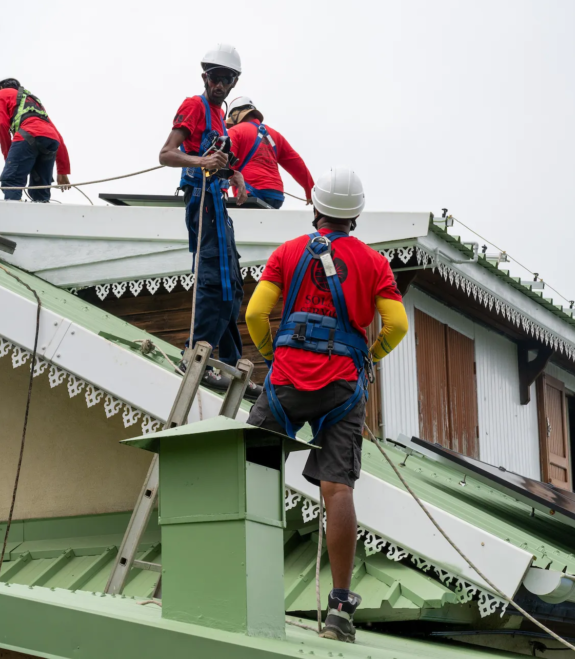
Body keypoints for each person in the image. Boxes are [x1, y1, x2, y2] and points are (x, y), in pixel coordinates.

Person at [243, 167, 409, 643]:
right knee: (337, 491)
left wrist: (271, 354)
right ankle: (338, 611)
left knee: (253, 471)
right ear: (356, 215)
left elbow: (256, 313)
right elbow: (396, 325)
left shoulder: (288, 252)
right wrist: (371, 355)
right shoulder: (374, 263)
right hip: (342, 385)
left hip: (286, 379)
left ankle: (237, 579)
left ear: (315, 207)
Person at [157, 45, 259, 396]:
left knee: (233, 284)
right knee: (215, 280)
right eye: (214, 77)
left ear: (234, 83)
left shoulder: (219, 116)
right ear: (205, 77)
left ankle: (229, 364)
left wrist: (234, 174)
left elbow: (216, 160)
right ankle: (195, 357)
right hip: (201, 201)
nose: (219, 84)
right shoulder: (194, 106)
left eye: (226, 79)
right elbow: (166, 154)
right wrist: (203, 163)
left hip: (216, 201)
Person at [226, 96, 314, 209]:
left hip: (248, 193)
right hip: (275, 195)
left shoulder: (235, 131)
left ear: (235, 115)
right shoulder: (275, 135)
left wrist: (222, 191)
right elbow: (296, 163)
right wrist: (310, 190)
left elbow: (225, 163)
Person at [0, 78, 71, 202]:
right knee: (40, 188)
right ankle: (41, 208)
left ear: (1, 88)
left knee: (12, 181)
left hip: (27, 135)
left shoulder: (1, 93)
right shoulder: (32, 101)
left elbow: (1, 125)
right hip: (51, 140)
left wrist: (9, 158)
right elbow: (57, 135)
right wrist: (63, 171)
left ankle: (13, 210)